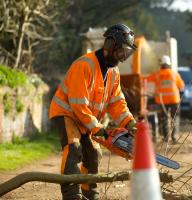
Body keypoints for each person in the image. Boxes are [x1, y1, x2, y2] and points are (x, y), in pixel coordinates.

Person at [49, 24, 137, 200]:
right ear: (111, 45)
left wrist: (130, 123)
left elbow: (117, 101)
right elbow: (78, 105)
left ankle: (89, 191)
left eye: (126, 53)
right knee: (74, 148)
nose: (122, 56)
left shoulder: (114, 72)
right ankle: (72, 194)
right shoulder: (85, 65)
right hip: (66, 113)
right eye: (121, 51)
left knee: (94, 153)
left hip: (86, 119)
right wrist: (99, 129)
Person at [145, 55, 185, 143]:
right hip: (174, 100)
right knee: (175, 118)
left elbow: (146, 79)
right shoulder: (174, 74)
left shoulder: (157, 74)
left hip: (161, 101)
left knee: (163, 119)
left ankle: (166, 138)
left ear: (161, 64)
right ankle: (174, 137)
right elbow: (182, 86)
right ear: (169, 64)